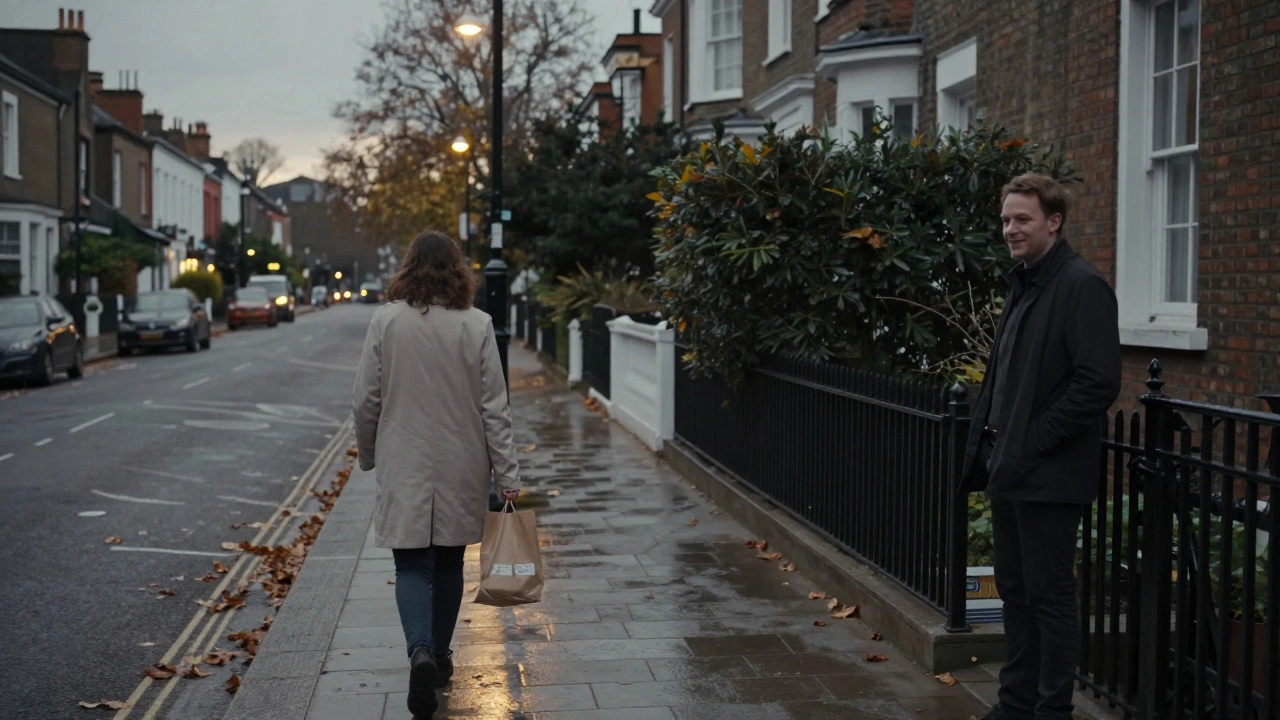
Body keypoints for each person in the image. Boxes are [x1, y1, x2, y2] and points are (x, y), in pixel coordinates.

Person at [960, 173, 1121, 720]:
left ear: (1054, 221)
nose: (1011, 229)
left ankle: (1052, 711)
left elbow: (1097, 383)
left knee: (1049, 598)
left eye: (1022, 218)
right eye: (1006, 219)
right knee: (1016, 594)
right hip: (1011, 469)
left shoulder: (1081, 285)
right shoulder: (1025, 282)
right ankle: (1015, 703)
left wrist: (1033, 440)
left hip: (1049, 476)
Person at [352, 230, 520, 718]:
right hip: (462, 462)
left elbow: (365, 400)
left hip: (404, 461)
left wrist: (369, 454)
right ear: (457, 270)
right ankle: (441, 656)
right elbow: (496, 408)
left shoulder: (385, 322)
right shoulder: (477, 325)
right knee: (448, 565)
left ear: (408, 268)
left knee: (410, 566)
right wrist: (507, 473)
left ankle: (419, 651)